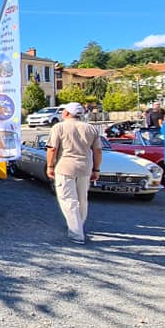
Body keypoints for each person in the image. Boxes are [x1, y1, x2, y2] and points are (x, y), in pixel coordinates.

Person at [46, 102, 102, 245]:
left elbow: (52, 149)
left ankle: (76, 233)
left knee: (68, 199)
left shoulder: (59, 127)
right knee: (82, 199)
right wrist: (96, 169)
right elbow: (97, 151)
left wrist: (50, 166)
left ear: (66, 113)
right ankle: (78, 224)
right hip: (85, 167)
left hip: (65, 166)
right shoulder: (91, 128)